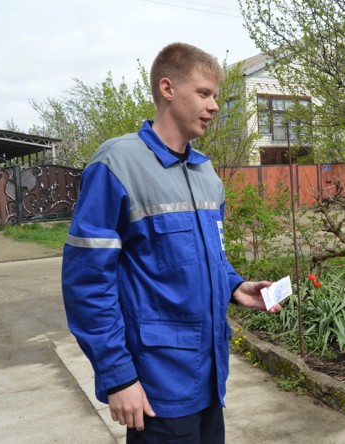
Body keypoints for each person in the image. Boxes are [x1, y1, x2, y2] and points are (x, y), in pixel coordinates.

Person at [61, 42, 279, 443]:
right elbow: (87, 283)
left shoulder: (206, 174)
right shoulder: (117, 164)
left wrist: (234, 285)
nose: (214, 105)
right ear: (167, 89)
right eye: (203, 93)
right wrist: (118, 377)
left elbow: (207, 256)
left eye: (215, 95)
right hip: (156, 386)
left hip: (210, 377)